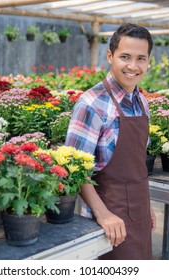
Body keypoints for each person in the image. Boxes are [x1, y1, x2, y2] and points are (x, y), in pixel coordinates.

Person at [65, 23, 156, 260]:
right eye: (125, 57)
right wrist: (103, 214)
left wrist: (147, 205)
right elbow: (74, 172)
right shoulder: (91, 104)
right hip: (107, 218)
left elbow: (138, 164)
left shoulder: (142, 103)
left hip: (140, 212)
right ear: (110, 56)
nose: (133, 66)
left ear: (149, 61)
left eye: (141, 58)